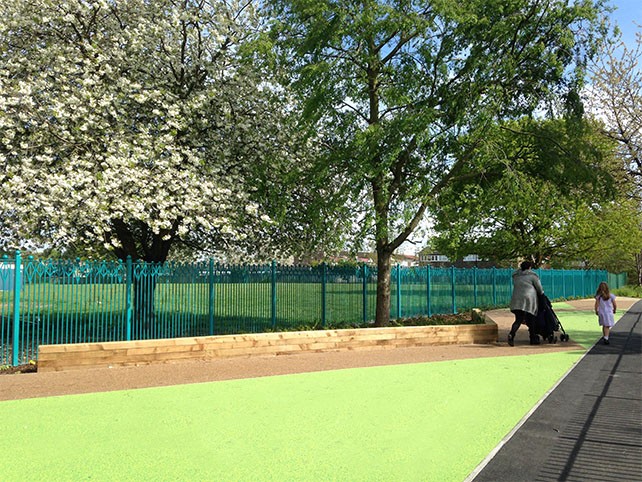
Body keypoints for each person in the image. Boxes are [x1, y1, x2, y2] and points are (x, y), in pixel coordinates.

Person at [508, 260, 544, 346]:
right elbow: (539, 288)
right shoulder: (533, 276)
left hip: (517, 299)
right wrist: (542, 295)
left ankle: (512, 334)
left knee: (518, 319)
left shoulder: (516, 276)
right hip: (529, 299)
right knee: (531, 319)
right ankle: (532, 338)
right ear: (529, 267)